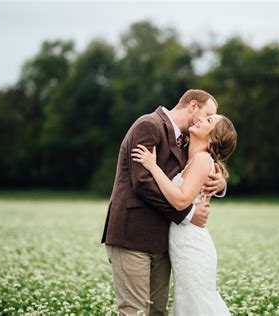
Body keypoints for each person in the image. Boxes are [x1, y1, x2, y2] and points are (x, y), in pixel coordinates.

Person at [101, 89, 227, 315]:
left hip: (162, 241)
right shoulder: (148, 125)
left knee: (158, 312)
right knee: (134, 312)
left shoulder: (185, 139)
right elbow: (142, 183)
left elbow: (198, 169)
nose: (205, 121)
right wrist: (187, 213)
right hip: (133, 234)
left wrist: (220, 183)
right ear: (193, 107)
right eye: (207, 115)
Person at [132, 113, 237, 315]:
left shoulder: (202, 159)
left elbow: (180, 201)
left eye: (208, 121)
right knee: (188, 303)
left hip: (192, 247)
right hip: (182, 246)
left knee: (196, 304)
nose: (200, 119)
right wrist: (222, 183)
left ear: (213, 137)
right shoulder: (191, 157)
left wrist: (152, 167)